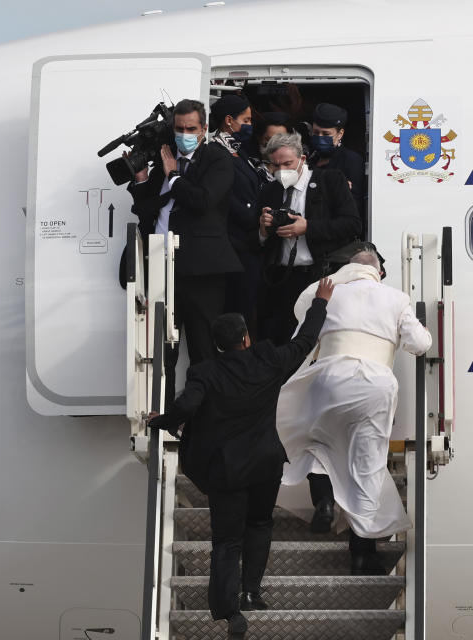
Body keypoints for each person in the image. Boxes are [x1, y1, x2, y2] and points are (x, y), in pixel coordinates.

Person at [149, 278, 335, 639]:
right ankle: (251, 593)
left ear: (218, 345)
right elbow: (304, 342)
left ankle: (230, 612)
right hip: (265, 464)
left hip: (227, 470)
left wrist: (162, 422)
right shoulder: (268, 361)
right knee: (260, 525)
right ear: (246, 338)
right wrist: (320, 303)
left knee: (226, 540)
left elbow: (186, 405)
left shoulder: (206, 372)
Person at [275, 251, 432, 575]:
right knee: (366, 467)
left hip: (329, 378)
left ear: (350, 267)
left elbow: (304, 332)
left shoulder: (327, 291)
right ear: (377, 271)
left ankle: (325, 503)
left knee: (318, 447)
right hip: (374, 386)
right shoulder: (396, 298)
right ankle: (362, 556)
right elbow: (419, 342)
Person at [128, 99, 243, 398]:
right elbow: (145, 210)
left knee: (203, 346)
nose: (184, 134)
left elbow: (203, 201)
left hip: (202, 270)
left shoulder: (218, 160)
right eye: (179, 128)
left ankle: (203, 416)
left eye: (191, 128)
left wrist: (173, 176)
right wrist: (142, 179)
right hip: (159, 263)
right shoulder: (165, 157)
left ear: (204, 129)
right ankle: (163, 413)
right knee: (161, 351)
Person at [256, 131, 360, 344]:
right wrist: (263, 231)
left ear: (302, 159)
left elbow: (352, 224)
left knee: (322, 341)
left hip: (320, 277)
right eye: (275, 166)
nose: (281, 171)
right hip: (281, 281)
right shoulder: (270, 191)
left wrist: (308, 227)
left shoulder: (330, 180)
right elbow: (256, 240)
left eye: (287, 163)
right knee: (283, 343)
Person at [209, 95, 266, 339]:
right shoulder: (214, 151)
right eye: (247, 120)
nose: (250, 125)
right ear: (229, 121)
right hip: (234, 244)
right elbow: (226, 196)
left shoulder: (237, 151)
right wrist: (255, 218)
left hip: (248, 243)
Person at [309, 103, 367, 233]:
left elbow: (353, 207)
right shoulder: (310, 159)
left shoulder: (351, 160)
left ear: (340, 134)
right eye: (316, 132)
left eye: (326, 134)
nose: (319, 137)